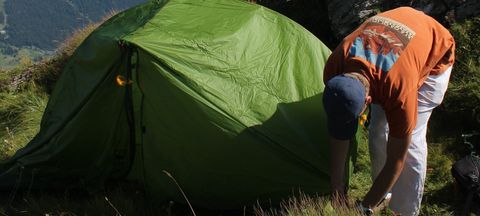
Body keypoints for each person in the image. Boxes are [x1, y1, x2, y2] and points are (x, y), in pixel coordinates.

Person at [322, 7, 455, 216]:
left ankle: (405, 210)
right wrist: (336, 189)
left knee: (411, 145)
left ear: (368, 100)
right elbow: (338, 134)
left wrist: (362, 209)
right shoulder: (335, 65)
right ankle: (382, 194)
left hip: (436, 53)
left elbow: (397, 160)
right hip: (400, 33)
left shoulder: (399, 91)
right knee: (377, 130)